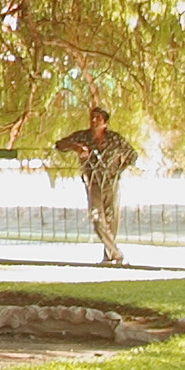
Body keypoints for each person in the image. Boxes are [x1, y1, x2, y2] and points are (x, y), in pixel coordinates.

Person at [54, 106, 138, 265]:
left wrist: (119, 169)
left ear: (105, 123)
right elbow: (59, 144)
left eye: (98, 118)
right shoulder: (82, 137)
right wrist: (75, 147)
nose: (94, 120)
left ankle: (109, 255)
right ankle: (116, 254)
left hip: (111, 182)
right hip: (92, 182)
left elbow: (132, 156)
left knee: (111, 220)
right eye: (92, 117)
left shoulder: (115, 139)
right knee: (97, 217)